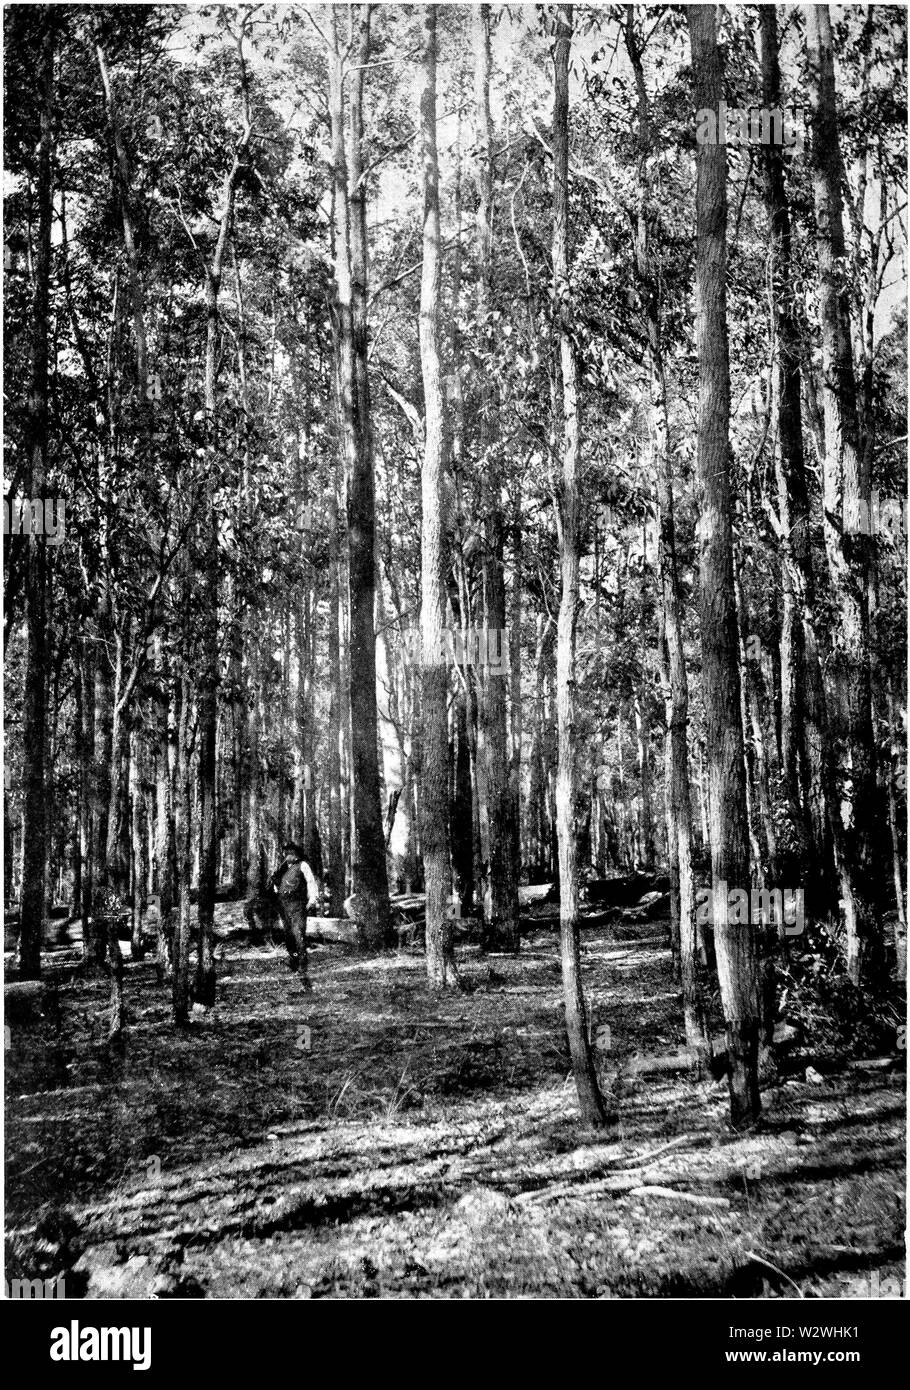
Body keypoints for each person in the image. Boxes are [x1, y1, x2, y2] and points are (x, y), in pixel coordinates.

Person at [269, 841, 320, 987]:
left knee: (299, 933)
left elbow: (311, 882)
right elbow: (275, 884)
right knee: (288, 934)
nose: (288, 856)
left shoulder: (303, 865)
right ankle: (293, 960)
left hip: (297, 904)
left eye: (291, 853)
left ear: (296, 854)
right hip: (283, 905)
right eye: (286, 853)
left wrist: (312, 899)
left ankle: (303, 965)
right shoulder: (282, 868)